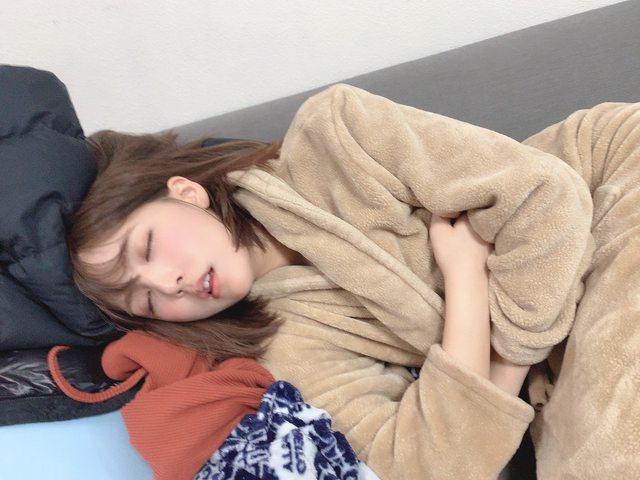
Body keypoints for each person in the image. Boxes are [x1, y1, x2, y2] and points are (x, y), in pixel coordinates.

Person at [69, 84, 599, 479]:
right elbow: (422, 466)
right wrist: (468, 283)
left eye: (147, 248)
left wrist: (495, 369)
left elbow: (544, 196)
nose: (170, 283)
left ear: (186, 193)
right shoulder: (283, 346)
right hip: (553, 341)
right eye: (146, 299)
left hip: (606, 192)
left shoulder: (336, 133)